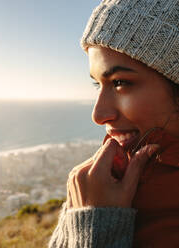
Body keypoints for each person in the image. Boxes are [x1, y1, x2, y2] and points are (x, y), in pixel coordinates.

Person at [49, 0, 179, 247]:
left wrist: (94, 225)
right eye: (98, 84)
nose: (98, 115)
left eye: (120, 82)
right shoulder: (105, 181)